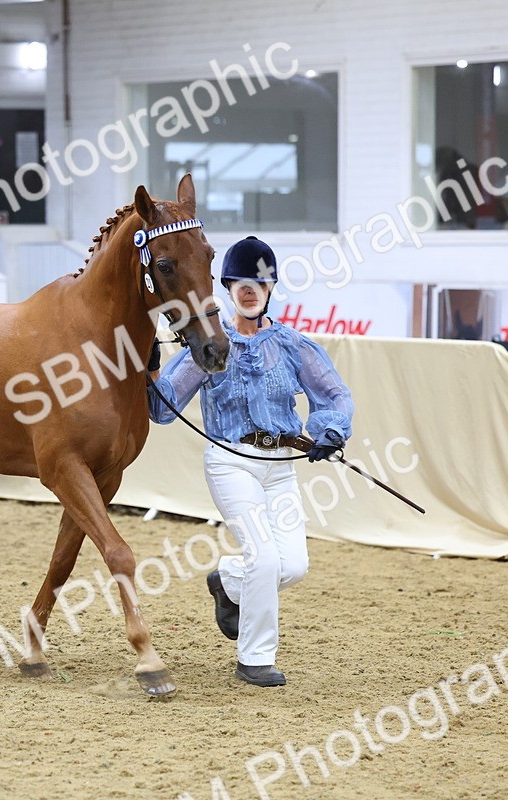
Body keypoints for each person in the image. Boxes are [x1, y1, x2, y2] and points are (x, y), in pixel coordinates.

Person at [146, 236, 354, 687]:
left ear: (271, 287)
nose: (249, 290)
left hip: (281, 466)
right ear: (227, 287)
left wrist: (330, 430)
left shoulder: (292, 344)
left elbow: (334, 394)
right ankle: (254, 659)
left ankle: (228, 582)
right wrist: (152, 366)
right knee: (263, 559)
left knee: (292, 566)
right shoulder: (211, 345)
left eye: (258, 283)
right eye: (240, 283)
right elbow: (163, 410)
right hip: (231, 462)